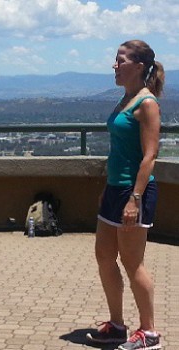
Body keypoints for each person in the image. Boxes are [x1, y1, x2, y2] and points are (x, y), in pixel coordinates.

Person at [86, 40, 164, 350]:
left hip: (135, 193)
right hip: (115, 190)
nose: (114, 66)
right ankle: (117, 325)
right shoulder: (125, 98)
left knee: (133, 263)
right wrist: (108, 187)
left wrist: (135, 198)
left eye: (120, 60)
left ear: (139, 66)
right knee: (104, 256)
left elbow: (150, 156)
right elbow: (119, 151)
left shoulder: (147, 103)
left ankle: (149, 333)